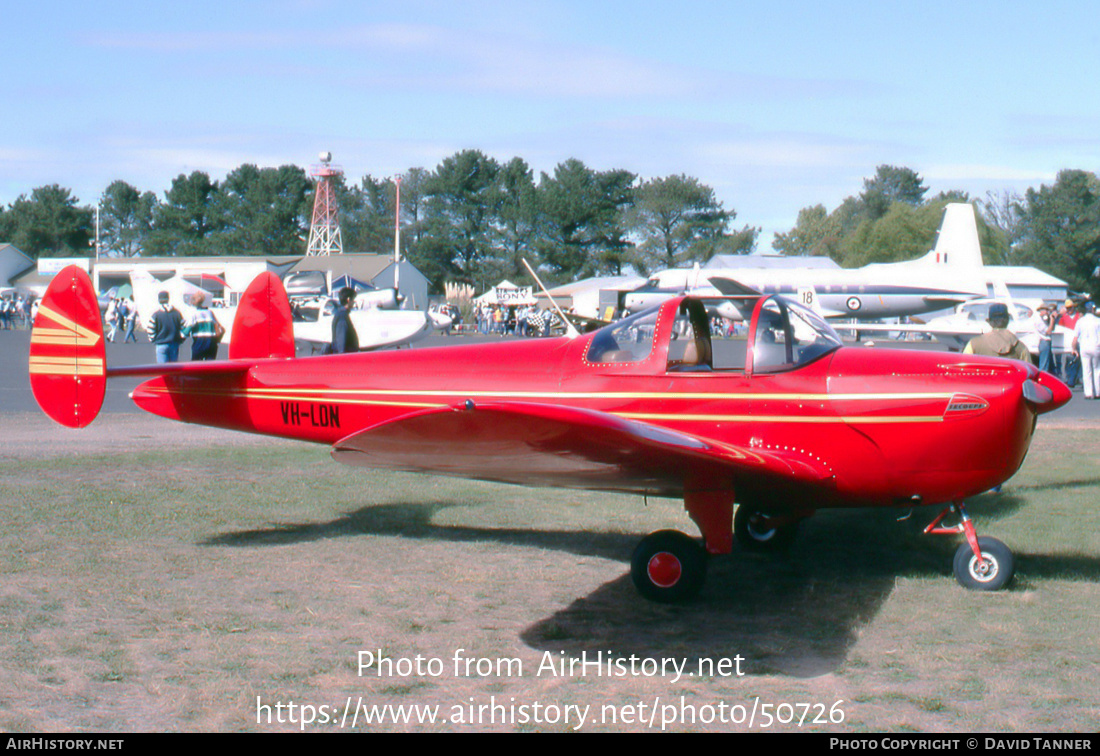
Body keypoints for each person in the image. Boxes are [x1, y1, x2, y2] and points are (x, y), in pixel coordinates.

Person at [963, 303, 1032, 363]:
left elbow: (963, 366)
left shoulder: (974, 343)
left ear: (989, 322)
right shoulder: (1020, 347)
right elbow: (1028, 372)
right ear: (1007, 320)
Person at [182, 292, 223, 360]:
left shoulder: (194, 314)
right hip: (211, 342)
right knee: (210, 367)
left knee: (196, 366)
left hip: (199, 342)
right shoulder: (210, 313)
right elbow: (219, 327)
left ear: (193, 303)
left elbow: (186, 331)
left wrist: (181, 334)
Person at [1072, 301, 1100, 399]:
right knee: (1096, 369)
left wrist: (1074, 349)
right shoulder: (1098, 321)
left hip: (1084, 347)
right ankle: (1097, 392)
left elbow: (1075, 338)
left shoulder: (1080, 321)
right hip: (1096, 346)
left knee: (1086, 370)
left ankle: (1088, 393)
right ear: (1092, 309)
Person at [151, 291, 185, 363]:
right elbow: (183, 327)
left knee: (162, 369)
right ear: (168, 299)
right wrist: (181, 339)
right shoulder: (177, 313)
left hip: (161, 344)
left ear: (159, 300)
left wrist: (153, 340)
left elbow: (150, 329)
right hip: (174, 343)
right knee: (173, 369)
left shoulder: (156, 314)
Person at [1058, 299, 1082, 387]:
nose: (1069, 310)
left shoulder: (1078, 316)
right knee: (1069, 360)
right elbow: (1060, 328)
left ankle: (1076, 378)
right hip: (1068, 341)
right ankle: (1070, 378)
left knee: (1077, 360)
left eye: (1070, 308)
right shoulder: (1064, 317)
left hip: (1077, 340)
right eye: (1067, 308)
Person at [330, 287, 359, 354]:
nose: (354, 302)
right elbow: (341, 340)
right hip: (345, 357)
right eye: (353, 299)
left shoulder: (341, 314)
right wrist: (342, 358)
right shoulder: (342, 316)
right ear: (348, 299)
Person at [1031, 303, 1056, 373]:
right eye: (1046, 310)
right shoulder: (1038, 321)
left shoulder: (1044, 320)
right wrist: (1052, 320)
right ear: (1041, 311)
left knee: (1050, 366)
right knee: (1044, 366)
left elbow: (1052, 328)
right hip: (1044, 342)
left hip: (1047, 342)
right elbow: (1048, 331)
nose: (1047, 312)